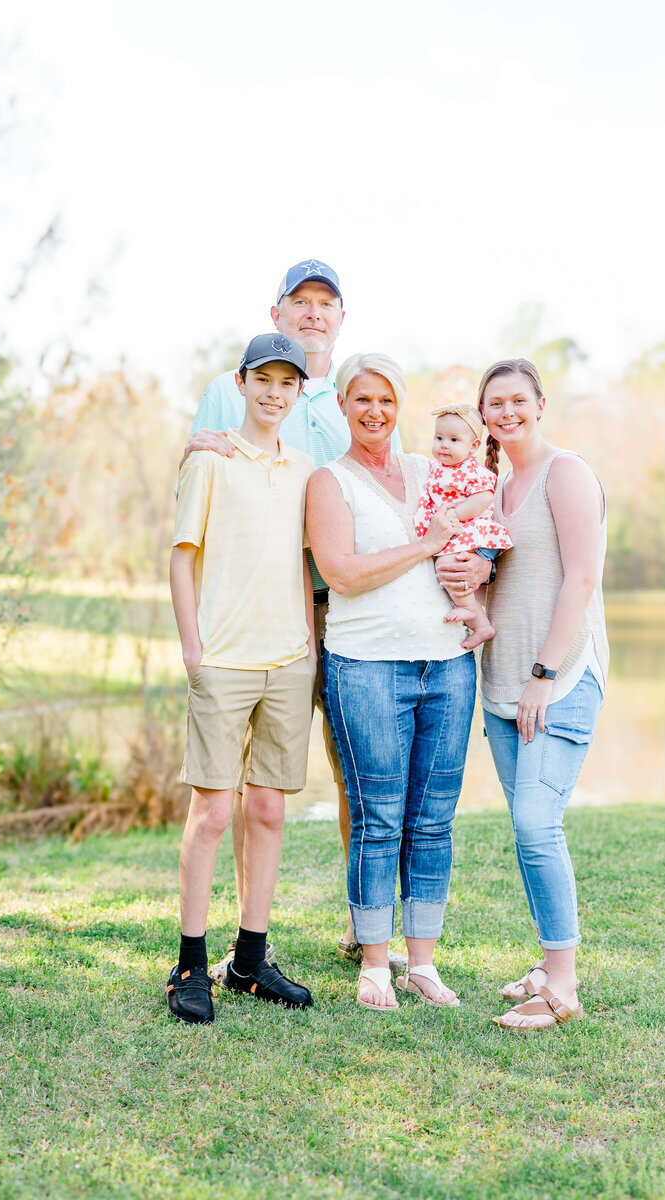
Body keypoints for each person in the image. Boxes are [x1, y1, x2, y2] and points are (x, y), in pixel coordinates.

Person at [182, 259, 405, 981]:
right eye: (300, 302)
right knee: (240, 794)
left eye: (327, 304)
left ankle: (361, 925)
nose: (314, 313)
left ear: (342, 318)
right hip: (252, 618)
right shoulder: (228, 387)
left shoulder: (351, 399)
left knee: (354, 777)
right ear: (277, 311)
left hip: (335, 615)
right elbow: (204, 481)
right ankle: (243, 946)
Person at [306, 353, 477, 1011]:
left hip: (447, 666)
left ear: (398, 404)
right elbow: (341, 572)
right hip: (366, 666)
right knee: (379, 817)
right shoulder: (330, 482)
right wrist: (427, 543)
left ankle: (423, 963)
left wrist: (474, 572)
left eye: (386, 399)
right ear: (344, 406)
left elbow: (477, 527)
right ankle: (374, 963)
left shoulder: (432, 470)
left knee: (432, 820)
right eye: (361, 399)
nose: (375, 411)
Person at [166, 332, 317, 1024]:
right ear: (243, 380)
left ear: (298, 392)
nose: (275, 392)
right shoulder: (213, 459)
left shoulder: (306, 468)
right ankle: (190, 965)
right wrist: (193, 649)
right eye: (265, 379)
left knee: (269, 810)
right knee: (213, 813)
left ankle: (250, 961)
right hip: (223, 660)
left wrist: (309, 645)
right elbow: (181, 557)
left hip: (287, 661)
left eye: (288, 382)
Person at [474, 357, 609, 1031]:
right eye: (494, 403)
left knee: (536, 823)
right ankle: (546, 961)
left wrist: (544, 674)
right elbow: (499, 582)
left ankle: (562, 985)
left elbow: (579, 579)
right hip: (501, 684)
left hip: (559, 679)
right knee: (528, 828)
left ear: (539, 404)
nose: (506, 411)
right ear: (482, 416)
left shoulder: (566, 473)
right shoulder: (495, 490)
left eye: (517, 399)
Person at [413, 403, 512, 649]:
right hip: (453, 534)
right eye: (439, 438)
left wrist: (455, 514)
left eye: (454, 439)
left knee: (448, 567)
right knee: (444, 569)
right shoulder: (435, 468)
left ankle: (469, 610)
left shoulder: (469, 470)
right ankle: (481, 625)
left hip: (469, 533)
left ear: (473, 447)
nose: (444, 444)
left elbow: (484, 497)